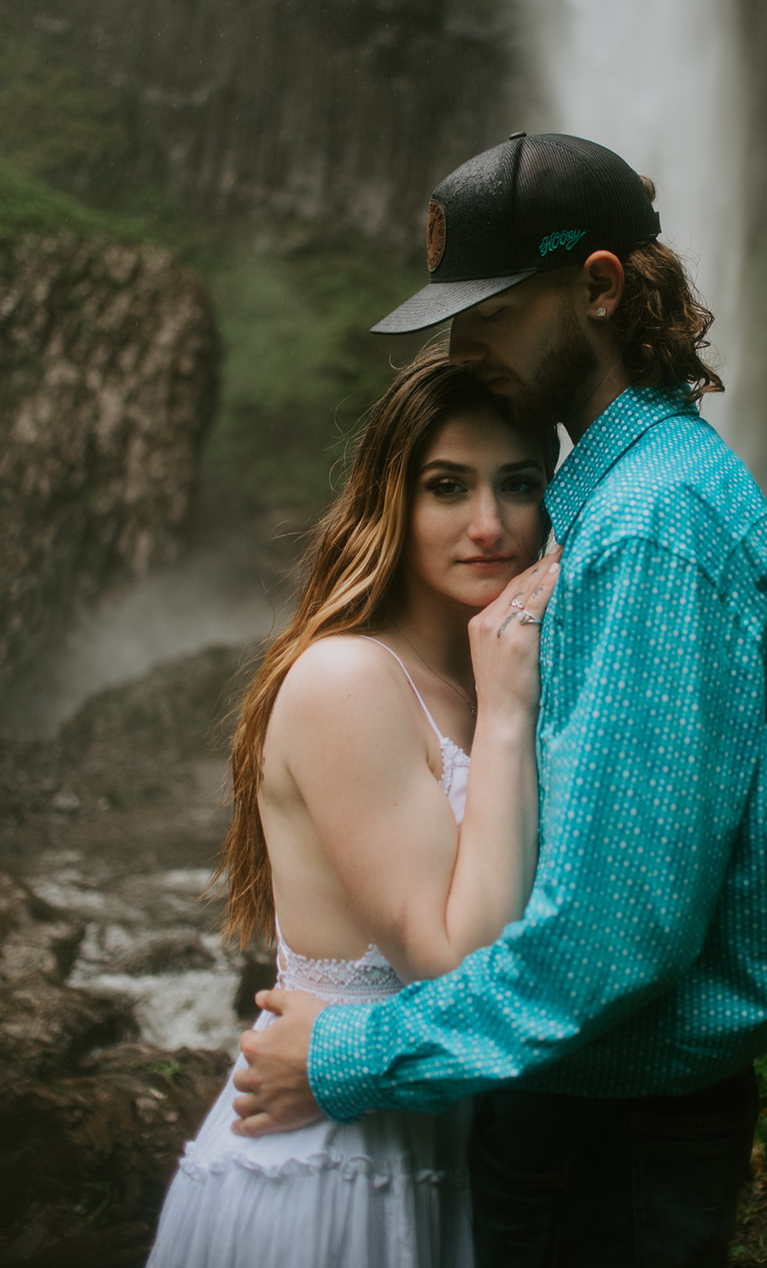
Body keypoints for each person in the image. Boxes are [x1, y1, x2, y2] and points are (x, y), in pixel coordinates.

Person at [232, 132, 767, 1266]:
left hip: (609, 1130)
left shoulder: (642, 528)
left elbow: (609, 943)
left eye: (487, 307)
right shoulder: (663, 490)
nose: (462, 340)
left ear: (596, 286)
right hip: (626, 1116)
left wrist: (349, 1057)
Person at [147, 352, 560, 1268]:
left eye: (519, 485)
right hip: (330, 1184)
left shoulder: (492, 666)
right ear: (392, 504)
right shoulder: (350, 680)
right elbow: (458, 967)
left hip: (453, 1165)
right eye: (447, 487)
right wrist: (505, 714)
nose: (489, 525)